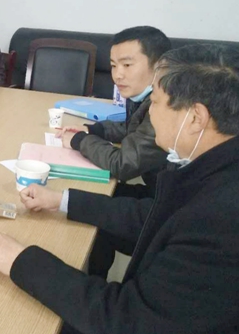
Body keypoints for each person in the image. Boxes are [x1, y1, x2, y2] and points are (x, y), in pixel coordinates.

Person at [0, 44, 239, 334]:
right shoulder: (227, 168)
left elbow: (127, 319)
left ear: (195, 118)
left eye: (156, 102)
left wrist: (20, 261)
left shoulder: (225, 221)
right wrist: (61, 200)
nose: (150, 114)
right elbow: (153, 216)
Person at [58, 26, 171, 277]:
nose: (117, 75)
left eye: (127, 65)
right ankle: (94, 277)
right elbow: (132, 128)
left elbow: (122, 164)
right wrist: (94, 129)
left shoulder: (165, 105)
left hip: (165, 210)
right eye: (113, 65)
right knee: (90, 197)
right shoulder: (146, 96)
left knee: (93, 213)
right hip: (158, 195)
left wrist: (79, 141)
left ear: (159, 65)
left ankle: (94, 282)